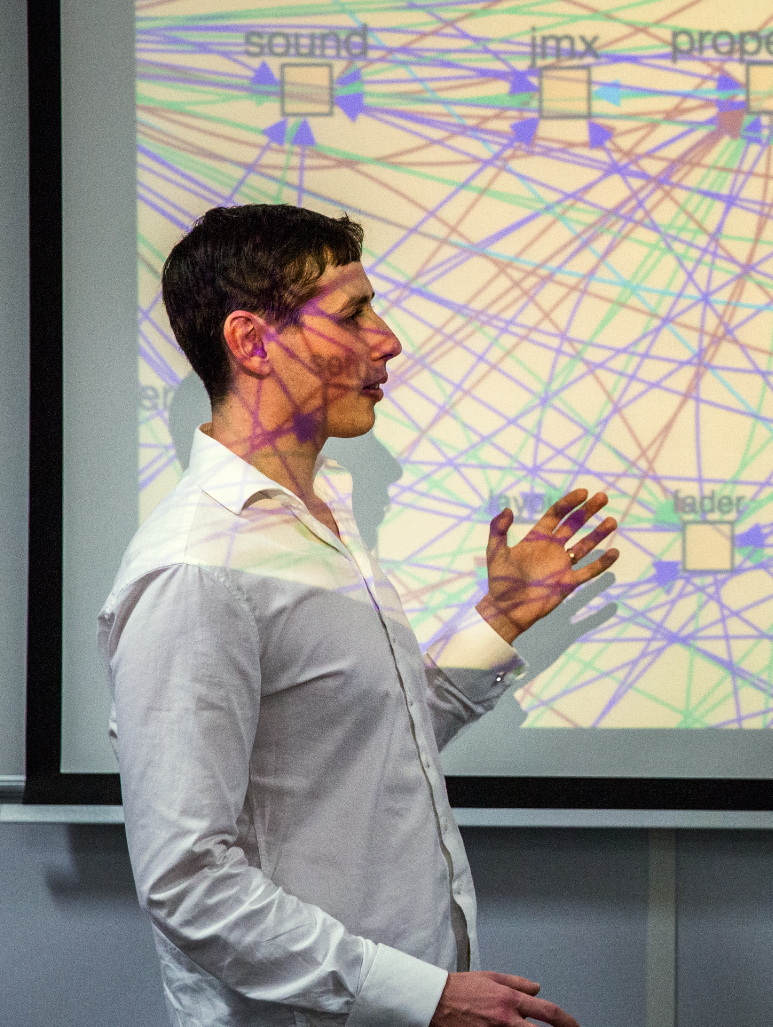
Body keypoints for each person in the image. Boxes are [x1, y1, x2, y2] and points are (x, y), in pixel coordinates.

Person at [100, 204, 617, 1027]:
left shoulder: (321, 514)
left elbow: (365, 739)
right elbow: (187, 881)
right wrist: (424, 995)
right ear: (251, 342)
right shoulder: (197, 566)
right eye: (353, 315)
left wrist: (499, 618)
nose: (388, 340)